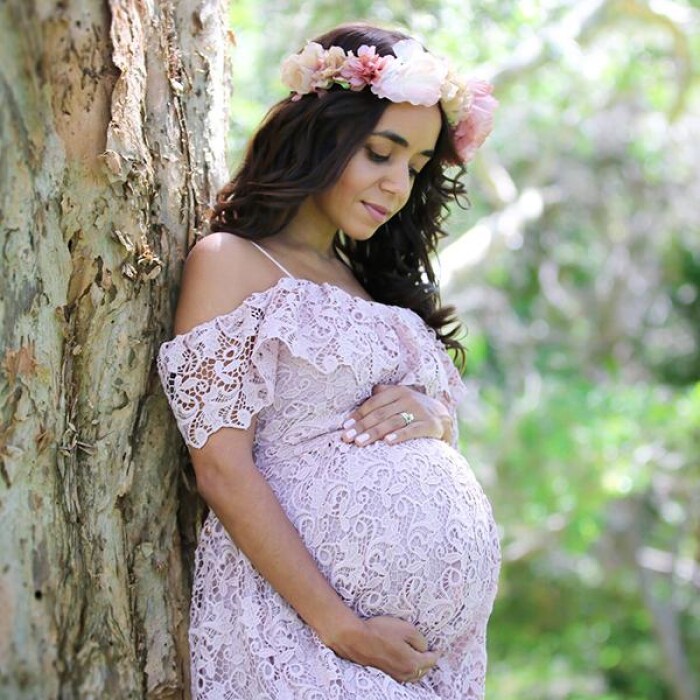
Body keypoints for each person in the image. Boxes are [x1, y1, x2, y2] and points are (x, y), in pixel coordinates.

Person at [157, 22, 501, 699]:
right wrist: (339, 626)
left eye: (416, 165)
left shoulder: (369, 282)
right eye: (381, 152)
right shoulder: (232, 263)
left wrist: (433, 418)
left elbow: (405, 432)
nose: (398, 184)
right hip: (302, 632)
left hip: (429, 661)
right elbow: (221, 468)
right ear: (323, 133)